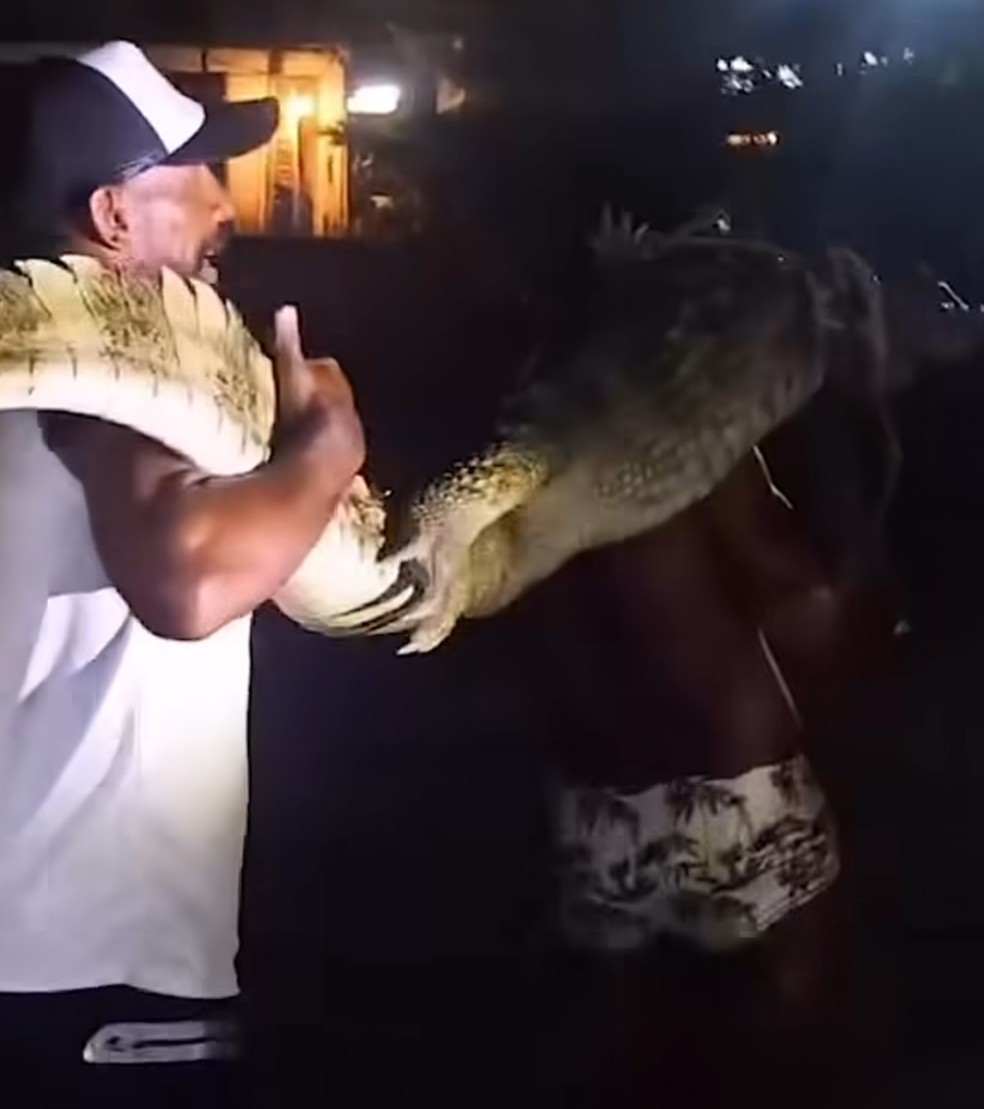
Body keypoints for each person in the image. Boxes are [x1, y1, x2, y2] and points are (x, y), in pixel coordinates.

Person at [0, 42, 365, 1104]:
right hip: (99, 987)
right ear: (114, 218)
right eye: (197, 174)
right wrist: (326, 451)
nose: (223, 207)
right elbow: (187, 586)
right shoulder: (120, 377)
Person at [513, 435, 901, 1108]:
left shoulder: (514, 433)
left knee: (645, 1062)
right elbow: (799, 597)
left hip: (601, 812)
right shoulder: (683, 415)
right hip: (735, 792)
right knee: (796, 1051)